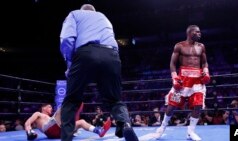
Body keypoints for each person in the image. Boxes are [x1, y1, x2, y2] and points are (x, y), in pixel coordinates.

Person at [59, 4, 139, 141]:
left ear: (82, 10)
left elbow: (66, 39)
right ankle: (125, 124)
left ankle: (66, 139)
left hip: (86, 53)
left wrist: (70, 64)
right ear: (94, 11)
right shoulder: (104, 18)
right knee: (114, 100)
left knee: (71, 100)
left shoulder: (75, 14)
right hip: (112, 55)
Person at [155, 25, 210, 141]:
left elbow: (204, 63)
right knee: (172, 105)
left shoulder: (201, 46)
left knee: (198, 105)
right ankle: (162, 127)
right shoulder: (179, 46)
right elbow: (172, 64)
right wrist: (174, 78)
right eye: (197, 32)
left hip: (197, 81)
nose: (200, 34)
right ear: (190, 33)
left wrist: (206, 71)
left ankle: (190, 132)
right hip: (182, 80)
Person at [24, 103, 111, 140]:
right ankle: (73, 109)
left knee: (81, 122)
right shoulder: (38, 114)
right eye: (49, 107)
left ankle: (99, 131)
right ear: (44, 108)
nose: (51, 108)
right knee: (62, 109)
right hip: (49, 129)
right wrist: (29, 132)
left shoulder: (51, 117)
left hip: (59, 131)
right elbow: (27, 123)